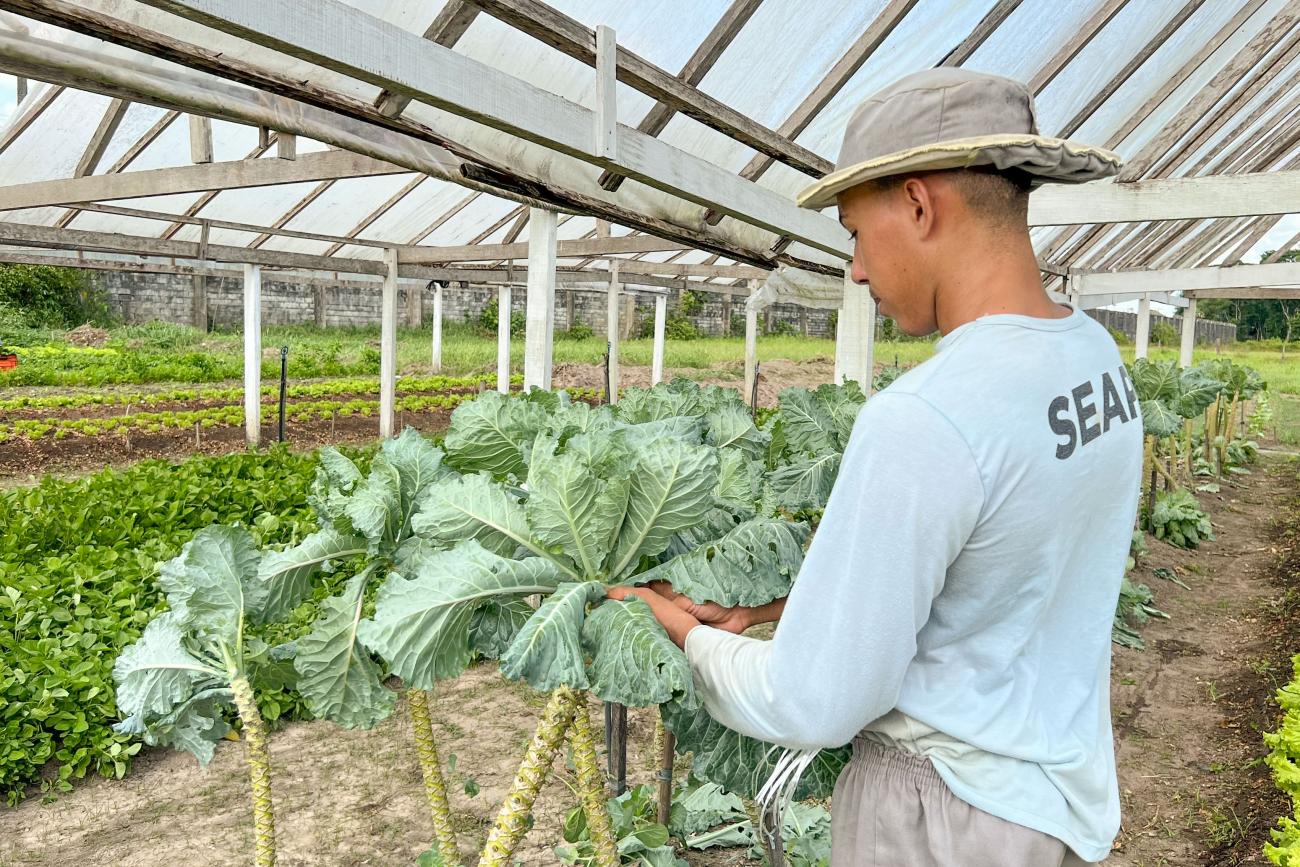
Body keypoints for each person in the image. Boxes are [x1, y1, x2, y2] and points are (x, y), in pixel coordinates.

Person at [608, 68, 1143, 866]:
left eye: (856, 232)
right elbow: (993, 571)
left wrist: (685, 634)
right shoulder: (1093, 358)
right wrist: (763, 612)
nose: (855, 269)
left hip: (943, 821)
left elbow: (813, 701)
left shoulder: (926, 414)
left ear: (920, 205)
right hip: (1049, 807)